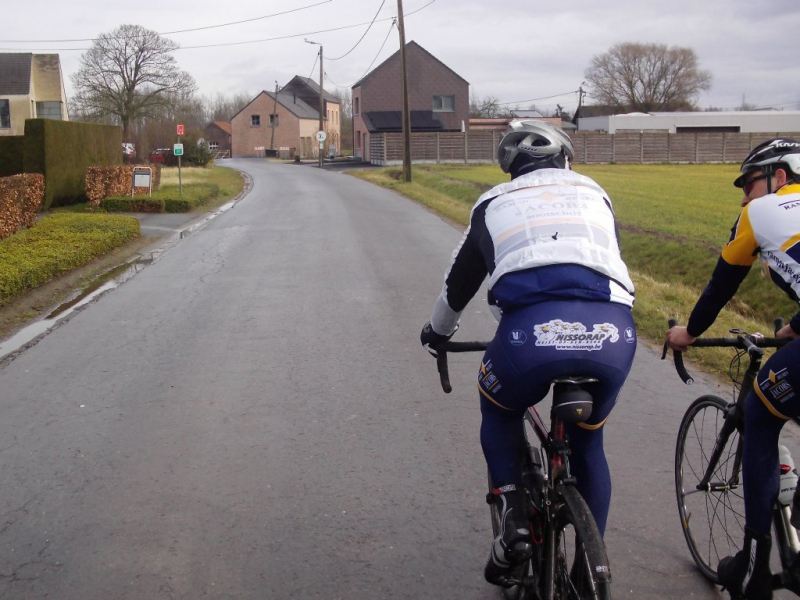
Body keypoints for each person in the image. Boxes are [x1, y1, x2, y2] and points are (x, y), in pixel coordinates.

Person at [419, 120, 637, 587]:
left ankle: (513, 519)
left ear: (511, 170)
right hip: (613, 335)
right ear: (566, 161)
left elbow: (458, 286)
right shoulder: (596, 194)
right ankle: (587, 570)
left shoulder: (493, 203)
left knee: (497, 407)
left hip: (531, 338)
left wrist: (438, 333)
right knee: (588, 441)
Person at [665, 138, 800, 600]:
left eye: (750, 184)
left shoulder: (763, 214)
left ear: (780, 177)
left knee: (761, 418)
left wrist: (690, 331)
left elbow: (723, 282)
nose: (745, 198)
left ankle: (756, 569)